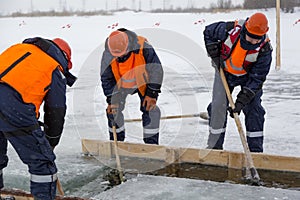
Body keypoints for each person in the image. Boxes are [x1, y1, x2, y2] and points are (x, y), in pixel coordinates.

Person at [0, 37, 76, 199]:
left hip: (10, 101)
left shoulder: (18, 49)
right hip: (13, 106)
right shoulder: (53, 67)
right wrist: (51, 142)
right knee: (42, 165)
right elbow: (56, 111)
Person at [203, 12, 272, 152]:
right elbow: (208, 31)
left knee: (254, 109)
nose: (253, 41)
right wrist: (213, 52)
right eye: (251, 37)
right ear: (246, 29)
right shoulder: (231, 29)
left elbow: (258, 78)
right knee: (218, 106)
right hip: (225, 72)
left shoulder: (265, 49)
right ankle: (215, 148)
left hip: (248, 77)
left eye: (257, 39)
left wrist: (242, 100)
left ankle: (255, 151)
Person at [101, 28, 163, 144]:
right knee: (113, 111)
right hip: (120, 86)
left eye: (122, 53)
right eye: (117, 55)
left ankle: (151, 144)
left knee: (150, 109)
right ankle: (117, 142)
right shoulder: (108, 53)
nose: (120, 57)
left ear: (128, 46)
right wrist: (111, 99)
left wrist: (152, 94)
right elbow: (106, 78)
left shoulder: (143, 47)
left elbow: (156, 70)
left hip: (143, 83)